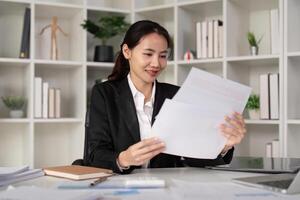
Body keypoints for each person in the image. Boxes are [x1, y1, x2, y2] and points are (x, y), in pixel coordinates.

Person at [86, 20, 246, 174]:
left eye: (163, 56)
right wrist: (123, 159)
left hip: (168, 187)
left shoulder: (176, 95)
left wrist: (223, 146)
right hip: (121, 188)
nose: (156, 63)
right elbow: (94, 155)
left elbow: (193, 157)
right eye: (148, 54)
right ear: (127, 51)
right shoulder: (105, 94)